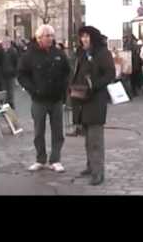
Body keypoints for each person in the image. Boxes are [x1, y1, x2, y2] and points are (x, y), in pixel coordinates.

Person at [17, 25, 71, 173]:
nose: (50, 38)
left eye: (52, 35)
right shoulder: (30, 55)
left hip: (56, 99)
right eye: (47, 36)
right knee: (38, 131)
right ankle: (40, 159)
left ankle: (55, 159)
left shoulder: (58, 53)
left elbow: (67, 72)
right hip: (39, 99)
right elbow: (21, 74)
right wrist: (32, 89)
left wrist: (63, 87)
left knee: (57, 131)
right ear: (39, 38)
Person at [70, 26, 115, 186]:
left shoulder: (103, 53)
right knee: (87, 138)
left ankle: (98, 172)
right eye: (82, 36)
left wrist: (94, 85)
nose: (84, 39)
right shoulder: (81, 53)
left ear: (93, 38)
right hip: (81, 99)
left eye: (87, 37)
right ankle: (90, 166)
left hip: (95, 100)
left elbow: (110, 74)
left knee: (95, 139)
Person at [2, 38, 19, 109]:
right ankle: (5, 102)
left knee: (10, 88)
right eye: (4, 43)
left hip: (10, 72)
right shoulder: (1, 51)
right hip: (3, 73)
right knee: (4, 88)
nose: (5, 44)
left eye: (6, 43)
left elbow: (16, 62)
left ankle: (10, 102)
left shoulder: (13, 51)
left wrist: (15, 72)